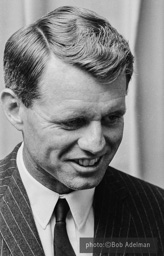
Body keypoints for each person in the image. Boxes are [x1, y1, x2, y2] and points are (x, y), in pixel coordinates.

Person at [0, 5, 164, 256]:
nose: (96, 143)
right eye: (72, 122)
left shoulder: (157, 211)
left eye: (112, 118)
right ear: (14, 109)